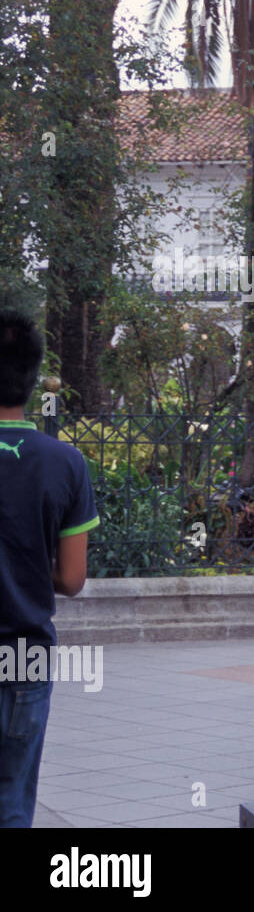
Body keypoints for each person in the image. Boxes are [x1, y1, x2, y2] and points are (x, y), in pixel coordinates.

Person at [0, 311, 99, 828]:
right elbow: (72, 580)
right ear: (33, 378)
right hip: (24, 657)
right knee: (12, 801)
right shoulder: (63, 462)